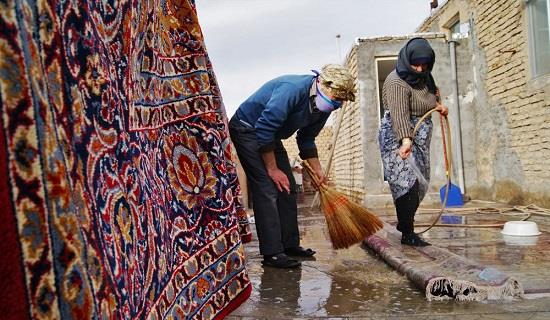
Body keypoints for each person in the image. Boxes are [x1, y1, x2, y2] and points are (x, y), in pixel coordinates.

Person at [229, 64, 355, 268]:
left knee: (287, 188)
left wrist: (318, 170)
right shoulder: (292, 90)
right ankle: (272, 253)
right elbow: (264, 128)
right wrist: (272, 169)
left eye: (341, 102)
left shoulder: (325, 106)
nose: (336, 104)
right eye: (335, 98)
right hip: (248, 128)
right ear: (321, 84)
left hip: (271, 135)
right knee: (267, 188)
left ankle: (289, 245)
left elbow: (306, 138)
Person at [378, 37, 448, 247]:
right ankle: (408, 233)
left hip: (421, 135)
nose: (419, 68)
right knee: (406, 182)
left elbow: (430, 98)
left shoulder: (426, 76)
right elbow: (399, 115)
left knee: (421, 183)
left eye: (424, 64)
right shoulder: (396, 81)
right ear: (407, 60)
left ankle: (404, 221)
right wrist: (405, 141)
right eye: (415, 64)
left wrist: (439, 106)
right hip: (397, 135)